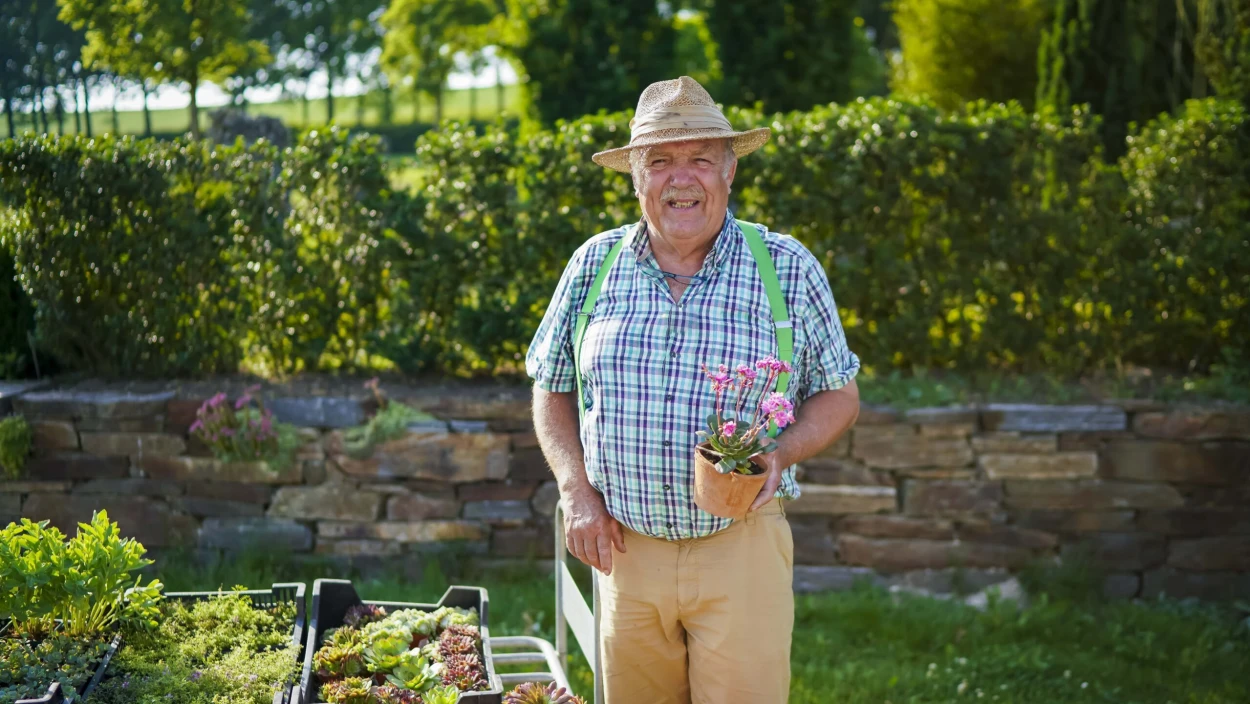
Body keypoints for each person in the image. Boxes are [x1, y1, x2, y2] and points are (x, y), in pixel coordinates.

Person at [526, 76, 861, 704]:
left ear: (730, 171)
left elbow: (840, 394)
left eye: (701, 159)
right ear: (635, 177)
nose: (682, 178)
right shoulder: (592, 266)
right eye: (660, 162)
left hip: (743, 550)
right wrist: (576, 492)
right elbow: (552, 387)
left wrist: (780, 453)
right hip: (624, 551)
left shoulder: (786, 268)